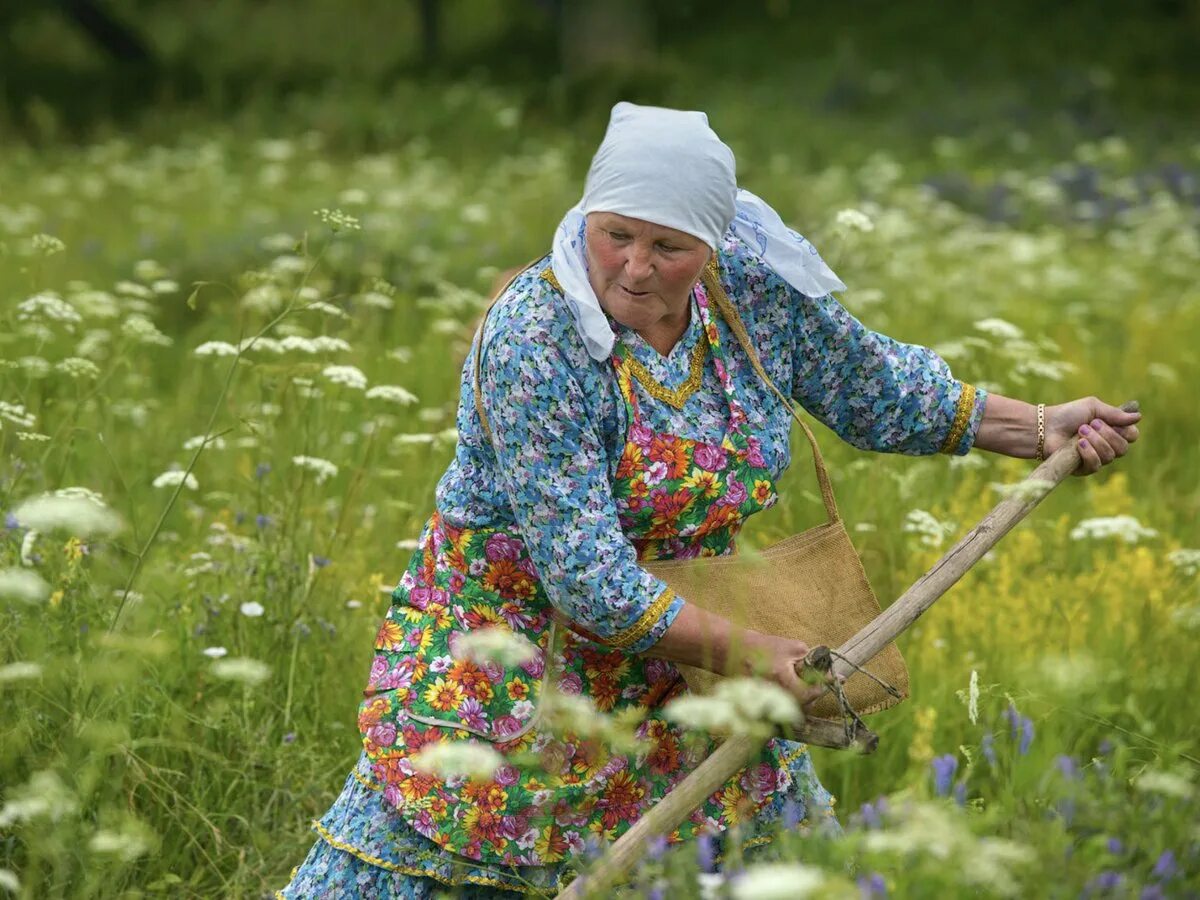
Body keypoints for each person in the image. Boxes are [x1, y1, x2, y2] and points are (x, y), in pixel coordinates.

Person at [278, 102, 1141, 898]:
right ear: (587, 218)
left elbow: (877, 387)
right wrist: (762, 660)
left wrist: (1036, 428)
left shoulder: (749, 296)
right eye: (615, 236)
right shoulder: (535, 338)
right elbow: (588, 582)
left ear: (712, 245)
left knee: (772, 874)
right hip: (516, 677)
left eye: (670, 248)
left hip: (694, 666)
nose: (636, 267)